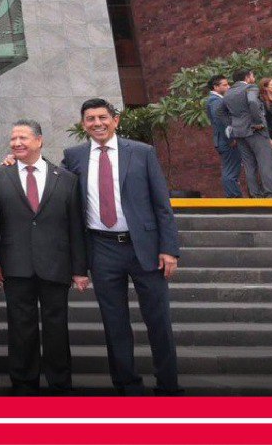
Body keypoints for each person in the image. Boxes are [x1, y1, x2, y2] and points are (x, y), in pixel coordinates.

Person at [61, 98, 182, 396]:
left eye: (103, 117)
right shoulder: (73, 156)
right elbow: (54, 185)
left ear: (115, 120)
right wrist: (14, 162)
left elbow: (161, 204)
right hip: (102, 249)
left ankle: (168, 386)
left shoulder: (142, 152)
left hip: (146, 248)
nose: (97, 123)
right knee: (114, 322)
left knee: (159, 321)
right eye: (90, 119)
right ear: (83, 124)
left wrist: (169, 249)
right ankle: (127, 386)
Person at [0, 120, 88, 395]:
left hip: (56, 264)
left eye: (23, 137)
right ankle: (23, 384)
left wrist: (79, 268)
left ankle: (60, 383)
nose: (17, 143)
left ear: (39, 141)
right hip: (15, 264)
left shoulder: (66, 178)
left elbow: (75, 227)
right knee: (21, 328)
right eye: (13, 138)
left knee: (56, 327)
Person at [218, 69, 272, 197]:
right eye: (252, 75)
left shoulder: (229, 92)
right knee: (265, 162)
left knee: (249, 165)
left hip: (239, 133)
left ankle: (255, 195)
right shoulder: (250, 88)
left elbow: (220, 111)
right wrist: (257, 122)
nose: (254, 77)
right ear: (247, 77)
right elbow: (252, 102)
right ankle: (271, 194)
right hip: (255, 131)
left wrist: (231, 124)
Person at [205, 75, 243, 198]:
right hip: (226, 141)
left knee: (230, 169)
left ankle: (233, 196)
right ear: (216, 87)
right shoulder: (216, 101)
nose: (229, 87)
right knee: (231, 170)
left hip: (223, 140)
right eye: (225, 85)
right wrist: (231, 138)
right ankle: (234, 198)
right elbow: (220, 120)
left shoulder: (214, 100)